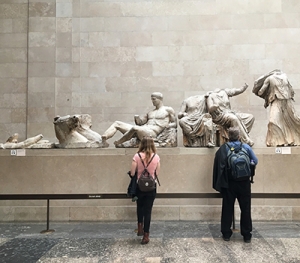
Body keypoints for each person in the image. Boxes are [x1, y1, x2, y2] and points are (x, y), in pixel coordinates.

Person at [213, 127, 258, 243]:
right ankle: (246, 235)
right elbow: (255, 161)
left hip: (229, 183)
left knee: (227, 208)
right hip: (244, 183)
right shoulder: (246, 147)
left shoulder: (223, 149)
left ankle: (226, 233)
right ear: (239, 136)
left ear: (228, 136)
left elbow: (218, 166)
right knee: (245, 209)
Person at [102, 92, 177, 147]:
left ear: (160, 99)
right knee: (117, 123)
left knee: (135, 128)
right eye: (152, 99)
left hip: (152, 133)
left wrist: (169, 125)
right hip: (142, 129)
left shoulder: (168, 109)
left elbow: (175, 123)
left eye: (154, 99)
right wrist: (137, 118)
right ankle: (104, 139)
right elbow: (140, 123)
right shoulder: (150, 112)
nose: (152, 101)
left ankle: (119, 142)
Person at [253, 69, 300, 146]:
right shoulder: (285, 77)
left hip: (280, 102)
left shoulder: (269, 78)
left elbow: (260, 91)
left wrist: (263, 93)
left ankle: (283, 141)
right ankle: (280, 141)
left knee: (276, 121)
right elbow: (291, 91)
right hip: (286, 101)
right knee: (283, 121)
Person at [130, 136, 160, 245]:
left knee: (140, 207)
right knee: (148, 211)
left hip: (139, 187)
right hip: (151, 187)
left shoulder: (137, 156)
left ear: (141, 144)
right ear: (152, 144)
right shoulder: (156, 157)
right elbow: (157, 173)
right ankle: (146, 236)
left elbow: (133, 173)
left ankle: (140, 228)